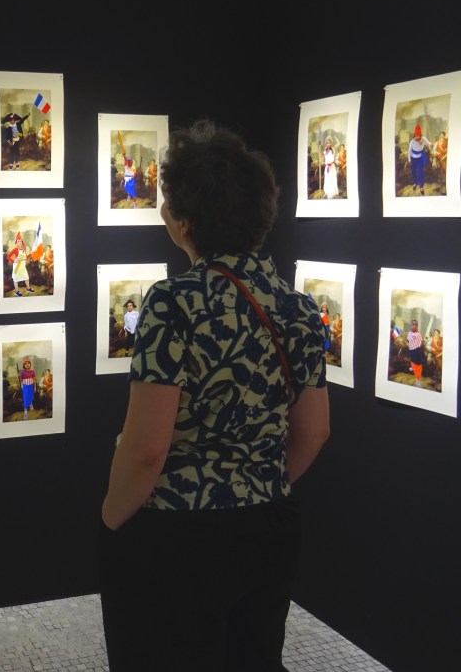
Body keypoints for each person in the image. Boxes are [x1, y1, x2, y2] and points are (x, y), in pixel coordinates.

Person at [98, 119, 330, 672]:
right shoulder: (298, 308)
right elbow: (315, 430)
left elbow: (147, 449)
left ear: (184, 222)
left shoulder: (171, 303)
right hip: (271, 525)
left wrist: (110, 517)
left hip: (178, 532)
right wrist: (254, 486)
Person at [6, 232, 34, 297]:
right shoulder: (15, 249)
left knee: (26, 277)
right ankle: (16, 291)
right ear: (16, 242)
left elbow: (25, 257)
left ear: (22, 242)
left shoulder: (23, 249)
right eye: (18, 241)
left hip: (22, 267)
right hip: (17, 267)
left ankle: (28, 288)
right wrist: (13, 260)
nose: (19, 242)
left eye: (20, 241)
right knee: (16, 279)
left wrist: (31, 254)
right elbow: (8, 257)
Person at [407, 123, 431, 195]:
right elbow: (409, 151)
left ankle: (421, 187)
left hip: (420, 158)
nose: (417, 137)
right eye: (416, 136)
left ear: (420, 136)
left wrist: (431, 144)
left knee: (420, 172)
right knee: (413, 172)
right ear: (414, 136)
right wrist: (409, 160)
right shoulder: (412, 142)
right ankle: (415, 183)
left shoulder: (423, 139)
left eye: (418, 136)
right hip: (413, 159)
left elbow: (429, 143)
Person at [407, 319, 424, 386]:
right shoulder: (410, 332)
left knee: (418, 366)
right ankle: (412, 367)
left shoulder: (417, 334)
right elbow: (408, 340)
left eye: (416, 325)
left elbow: (410, 338)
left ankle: (418, 380)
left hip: (417, 351)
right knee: (412, 360)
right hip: (411, 350)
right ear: (410, 325)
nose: (414, 326)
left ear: (417, 326)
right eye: (413, 324)